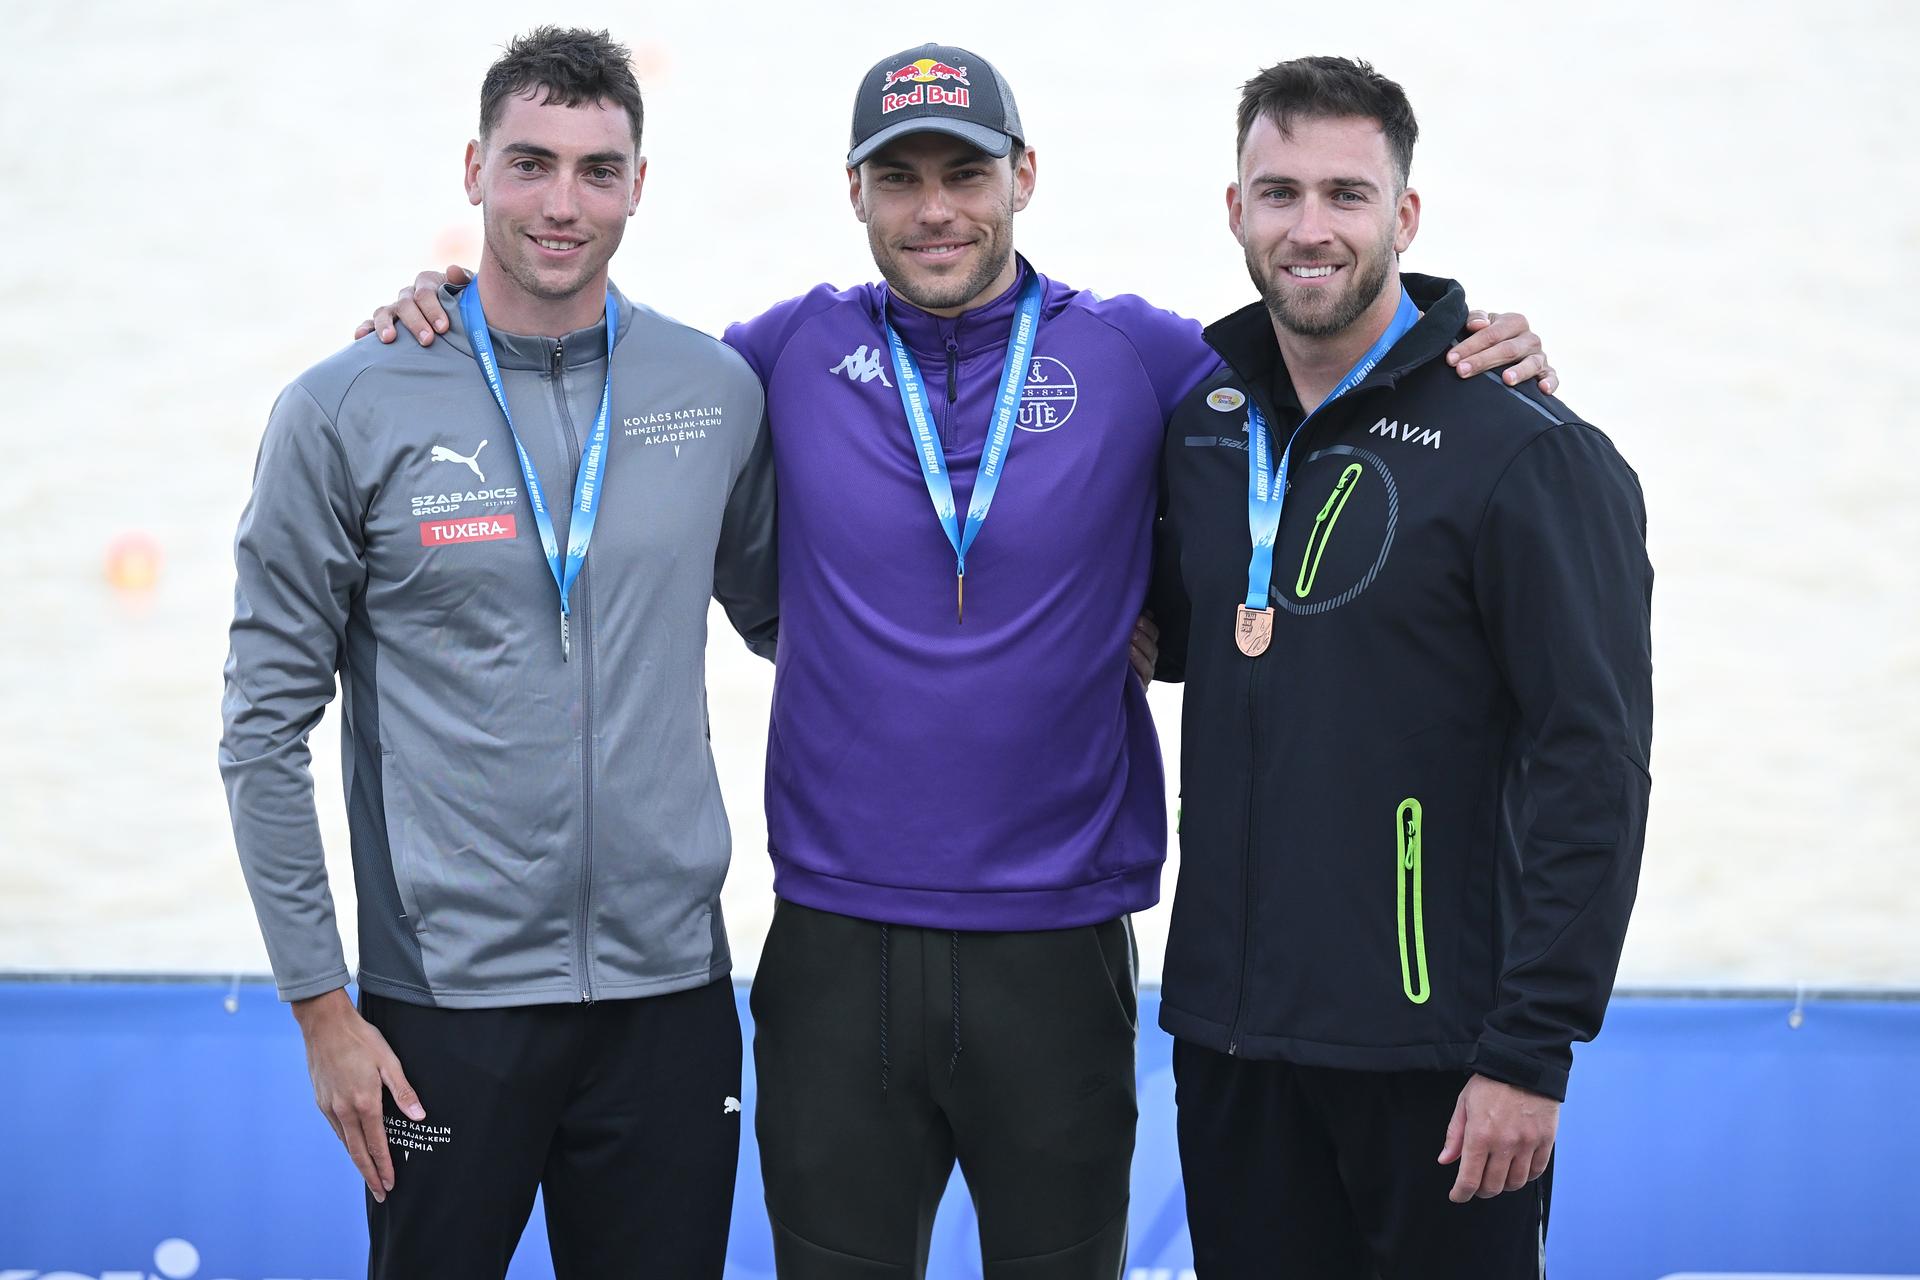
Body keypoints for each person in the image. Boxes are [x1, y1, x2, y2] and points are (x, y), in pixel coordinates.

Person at [360, 43, 1554, 1279]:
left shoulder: (1140, 356)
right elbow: (591, 366)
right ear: (855, 191)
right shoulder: (778, 354)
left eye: (965, 174)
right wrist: (447, 310)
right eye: (901, 177)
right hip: (835, 945)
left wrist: (1462, 348)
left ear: (1023, 177)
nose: (935, 209)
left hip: (1058, 941)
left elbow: (1329, 370)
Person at [218, 28, 776, 1280]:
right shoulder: (347, 404)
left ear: (639, 185)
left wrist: (1078, 614)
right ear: (475, 169)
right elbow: (260, 728)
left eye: (596, 169)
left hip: (671, 997)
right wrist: (322, 1010)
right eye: (531, 163)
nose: (562, 203)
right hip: (443, 1005)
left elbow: (800, 619)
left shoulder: (715, 391)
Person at [1150, 56, 1653, 1277]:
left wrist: (1530, 1051)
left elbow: (1595, 763)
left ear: (1405, 215)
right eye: (1280, 193)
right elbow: (1155, 626)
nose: (1310, 228)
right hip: (1231, 1045)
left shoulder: (1526, 451)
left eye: (1347, 193)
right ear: (1235, 209)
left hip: (1439, 1060)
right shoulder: (1203, 428)